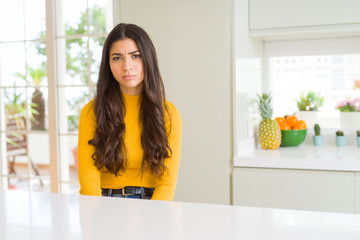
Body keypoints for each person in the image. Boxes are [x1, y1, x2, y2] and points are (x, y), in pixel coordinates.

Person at [78, 23, 181, 201]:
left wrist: (156, 214)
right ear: (108, 64)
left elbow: (167, 181)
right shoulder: (91, 112)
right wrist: (97, 215)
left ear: (148, 59)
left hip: (153, 203)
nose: (127, 66)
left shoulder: (168, 112)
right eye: (117, 58)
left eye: (136, 56)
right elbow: (89, 177)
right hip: (103, 202)